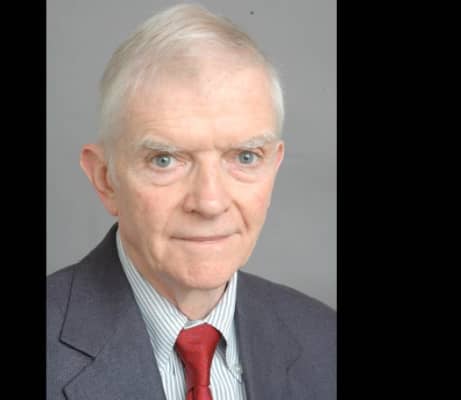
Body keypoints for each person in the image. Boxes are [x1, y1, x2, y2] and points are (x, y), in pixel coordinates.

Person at [47, 3, 336, 400]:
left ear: (274, 166)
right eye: (165, 160)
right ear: (105, 179)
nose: (210, 203)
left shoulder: (325, 342)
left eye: (245, 157)